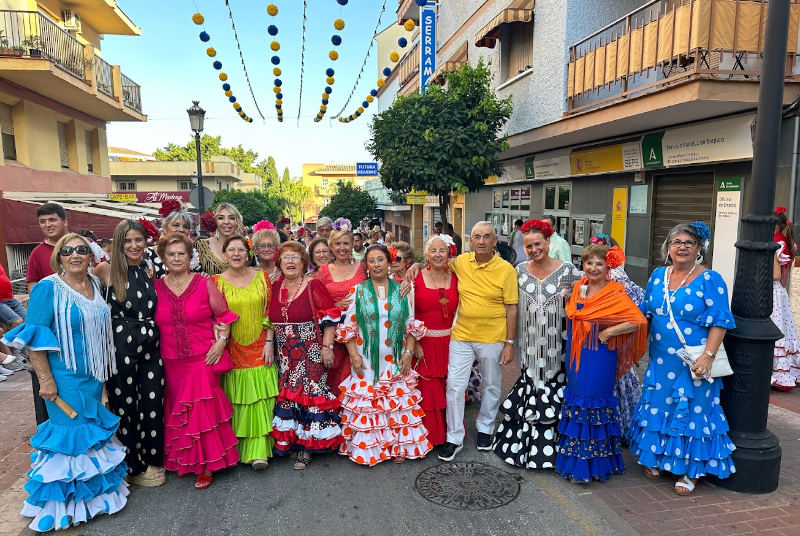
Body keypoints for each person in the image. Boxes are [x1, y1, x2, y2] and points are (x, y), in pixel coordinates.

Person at [2, 233, 128, 531]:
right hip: (63, 376)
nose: (75, 255)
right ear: (59, 256)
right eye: (67, 250)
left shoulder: (94, 284)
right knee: (71, 437)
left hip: (92, 375)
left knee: (90, 435)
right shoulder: (48, 288)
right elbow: (34, 339)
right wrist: (45, 379)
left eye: (82, 250)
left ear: (90, 256)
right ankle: (64, 506)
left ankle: (93, 500)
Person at [629, 221, 737, 495]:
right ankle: (659, 458)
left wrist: (709, 356)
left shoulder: (710, 279)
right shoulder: (657, 275)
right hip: (661, 361)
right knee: (660, 407)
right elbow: (645, 315)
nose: (682, 247)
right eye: (677, 242)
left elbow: (720, 321)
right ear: (668, 247)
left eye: (689, 242)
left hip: (693, 362)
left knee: (692, 412)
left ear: (700, 248)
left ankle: (690, 470)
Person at [409, 221, 518, 461]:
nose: (481, 241)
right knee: (455, 386)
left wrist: (510, 343)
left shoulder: (506, 269)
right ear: (470, 241)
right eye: (477, 236)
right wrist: (416, 264)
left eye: (486, 237)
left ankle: (485, 429)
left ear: (495, 239)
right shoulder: (460, 263)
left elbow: (512, 308)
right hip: (461, 336)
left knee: (491, 384)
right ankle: (454, 436)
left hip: (492, 337)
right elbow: (434, 261)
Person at [493, 220, 581, 469]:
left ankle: (557, 452)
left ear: (548, 243)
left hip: (559, 350)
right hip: (529, 348)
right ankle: (526, 449)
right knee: (531, 385)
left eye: (538, 244)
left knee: (557, 387)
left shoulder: (568, 272)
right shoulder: (518, 271)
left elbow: (593, 289)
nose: (533, 249)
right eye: (529, 246)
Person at [154, 234, 239, 490]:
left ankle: (205, 465)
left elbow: (224, 316)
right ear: (163, 258)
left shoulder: (204, 284)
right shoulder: (156, 287)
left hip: (204, 357)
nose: (177, 258)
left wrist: (221, 342)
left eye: (181, 253)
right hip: (171, 360)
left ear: (190, 256)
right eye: (171, 254)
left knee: (201, 410)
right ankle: (186, 461)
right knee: (180, 410)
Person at [557, 244, 647, 483]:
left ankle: (589, 467)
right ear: (583, 265)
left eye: (599, 264)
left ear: (608, 267)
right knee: (577, 402)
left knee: (594, 405)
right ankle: (575, 460)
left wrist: (608, 334)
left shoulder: (615, 291)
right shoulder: (580, 287)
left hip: (600, 355)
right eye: (589, 263)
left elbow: (636, 320)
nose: (593, 268)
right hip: (577, 354)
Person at [336, 244, 430, 465]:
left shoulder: (404, 290)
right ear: (366, 265)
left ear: (389, 263)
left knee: (395, 403)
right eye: (372, 261)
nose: (377, 264)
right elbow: (348, 326)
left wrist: (408, 352)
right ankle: (370, 449)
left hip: (396, 358)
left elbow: (410, 324)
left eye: (381, 260)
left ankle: (397, 446)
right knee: (369, 404)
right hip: (365, 359)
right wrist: (353, 356)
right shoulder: (358, 291)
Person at [93, 220, 165, 487]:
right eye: (128, 240)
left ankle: (153, 456)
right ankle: (133, 465)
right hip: (120, 346)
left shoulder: (149, 269)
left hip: (151, 344)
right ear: (119, 243)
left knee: (152, 400)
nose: (134, 245)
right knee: (126, 404)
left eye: (139, 240)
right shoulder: (105, 271)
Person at [267, 242, 344, 469]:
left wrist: (327, 347)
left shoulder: (313, 285)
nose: (290, 261)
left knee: (310, 397)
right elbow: (269, 320)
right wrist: (270, 343)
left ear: (303, 262)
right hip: (285, 354)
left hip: (310, 350)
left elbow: (330, 318)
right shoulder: (275, 286)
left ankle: (307, 449)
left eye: (295, 257)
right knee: (290, 396)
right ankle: (293, 442)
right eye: (285, 257)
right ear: (279, 263)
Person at [213, 236, 279, 470]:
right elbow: (214, 318)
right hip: (232, 349)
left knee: (260, 400)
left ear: (248, 253)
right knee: (238, 401)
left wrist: (270, 342)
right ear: (225, 254)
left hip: (261, 347)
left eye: (241, 249)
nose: (237, 253)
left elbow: (270, 312)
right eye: (232, 249)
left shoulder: (261, 277)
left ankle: (260, 451)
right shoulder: (215, 282)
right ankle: (237, 451)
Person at [588, 234, 644, 442]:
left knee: (616, 384)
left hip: (612, 340)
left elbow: (638, 306)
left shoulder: (617, 277)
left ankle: (617, 430)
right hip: (599, 340)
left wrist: (617, 329)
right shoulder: (596, 274)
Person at [413, 235, 459, 446]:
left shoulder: (458, 276)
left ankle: (450, 433)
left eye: (442, 250)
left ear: (449, 253)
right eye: (433, 251)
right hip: (425, 343)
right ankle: (430, 437)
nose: (438, 255)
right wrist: (414, 343)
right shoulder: (414, 277)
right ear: (427, 255)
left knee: (450, 388)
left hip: (453, 343)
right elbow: (408, 314)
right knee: (429, 390)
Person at [315, 221, 367, 393]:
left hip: (361, 331)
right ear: (331, 246)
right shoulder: (324, 271)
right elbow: (316, 303)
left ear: (353, 244)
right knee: (336, 380)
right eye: (338, 243)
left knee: (360, 376)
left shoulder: (362, 266)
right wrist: (335, 305)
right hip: (334, 334)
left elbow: (381, 280)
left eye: (346, 243)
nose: (342, 247)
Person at [771, 206, 800, 390]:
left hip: (771, 290)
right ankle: (784, 373)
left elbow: (773, 274)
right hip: (779, 292)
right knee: (782, 330)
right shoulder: (786, 241)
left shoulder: (775, 243)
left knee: (773, 329)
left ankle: (774, 374)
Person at [26, 203, 68, 293]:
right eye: (42, 221)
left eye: (52, 220)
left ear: (65, 222)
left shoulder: (84, 244)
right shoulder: (37, 253)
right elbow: (33, 283)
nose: (48, 225)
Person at [196, 203, 244, 275]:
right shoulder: (201, 246)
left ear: (237, 222)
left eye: (231, 218)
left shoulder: (247, 247)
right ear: (214, 222)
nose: (226, 222)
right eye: (221, 218)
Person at [147, 208, 196, 278]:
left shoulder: (193, 253)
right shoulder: (148, 254)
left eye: (185, 227)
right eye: (176, 225)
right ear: (165, 228)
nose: (181, 230)